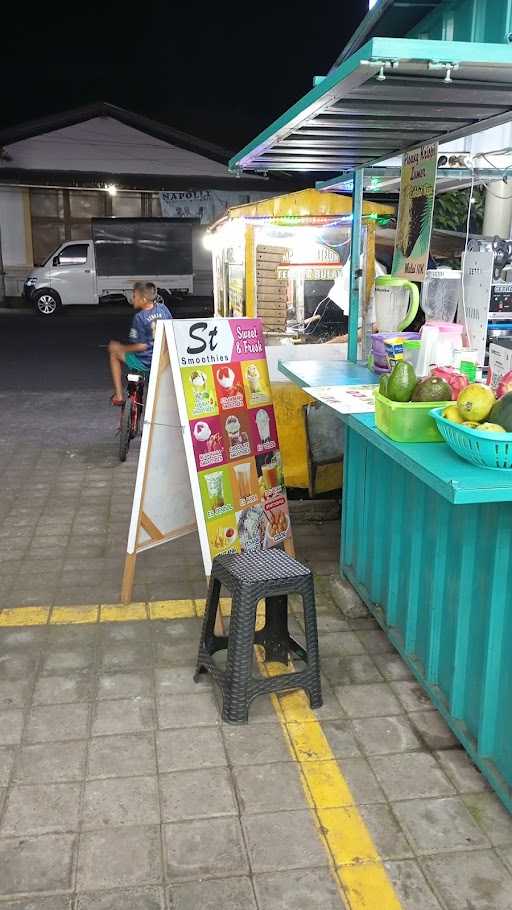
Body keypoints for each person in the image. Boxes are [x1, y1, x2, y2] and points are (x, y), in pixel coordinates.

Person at [108, 281, 171, 405]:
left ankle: (119, 396)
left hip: (146, 363)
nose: (132, 298)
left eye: (134, 296)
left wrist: (121, 347)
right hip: (163, 360)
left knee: (114, 353)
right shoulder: (163, 308)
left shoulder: (140, 317)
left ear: (143, 299)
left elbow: (141, 346)